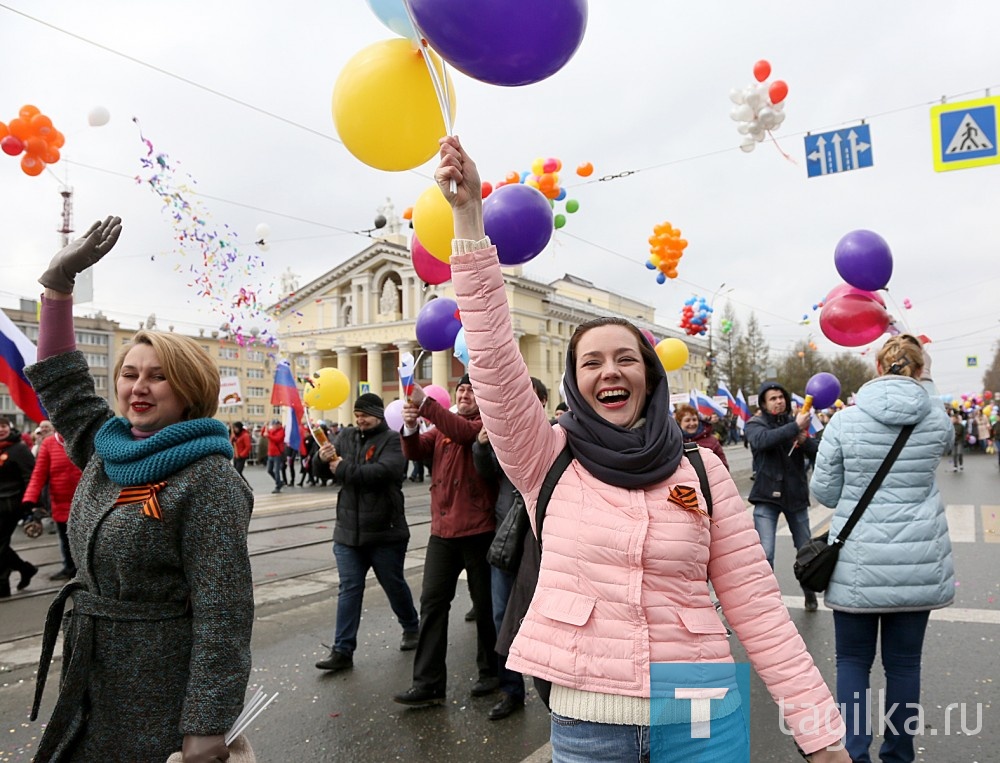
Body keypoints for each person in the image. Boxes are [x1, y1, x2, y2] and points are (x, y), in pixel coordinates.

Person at [433, 136, 848, 762]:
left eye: (626, 358)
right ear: (575, 382)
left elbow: (759, 611)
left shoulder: (703, 470)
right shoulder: (545, 457)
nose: (610, 371)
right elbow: (491, 352)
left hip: (703, 711)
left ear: (650, 377)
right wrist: (467, 220)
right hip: (590, 722)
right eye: (591, 361)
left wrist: (822, 736)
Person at [24, 216, 254, 763]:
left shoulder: (209, 478)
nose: (138, 387)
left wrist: (206, 723)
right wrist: (56, 289)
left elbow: (225, 611)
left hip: (161, 691)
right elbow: (65, 384)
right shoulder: (108, 448)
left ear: (190, 386)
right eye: (129, 373)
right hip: (92, 675)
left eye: (157, 375)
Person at [810, 334, 952, 763]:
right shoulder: (936, 419)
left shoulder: (844, 421)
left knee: (852, 662)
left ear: (877, 367)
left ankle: (854, 754)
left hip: (857, 560)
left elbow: (826, 493)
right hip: (919, 559)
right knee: (904, 666)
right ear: (920, 370)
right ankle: (899, 754)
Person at [393, 374, 500, 707]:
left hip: (479, 530)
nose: (465, 394)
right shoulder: (441, 430)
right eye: (461, 390)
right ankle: (427, 682)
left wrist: (425, 404)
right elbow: (414, 451)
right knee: (432, 605)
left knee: (485, 607)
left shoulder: (485, 426)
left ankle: (491, 672)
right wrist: (410, 427)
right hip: (442, 532)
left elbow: (465, 433)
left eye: (471, 390)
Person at [314, 393, 420, 672]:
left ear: (379, 414)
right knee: (350, 588)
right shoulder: (346, 436)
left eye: (365, 415)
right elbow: (326, 472)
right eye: (357, 414)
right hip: (348, 532)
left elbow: (386, 472)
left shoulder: (392, 439)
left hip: (385, 531)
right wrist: (320, 459)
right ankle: (342, 650)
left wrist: (343, 468)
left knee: (392, 583)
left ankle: (411, 626)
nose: (360, 419)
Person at [473, 376, 548, 721]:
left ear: (543, 403)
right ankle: (511, 690)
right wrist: (482, 446)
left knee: (549, 622)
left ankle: (554, 694)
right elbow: (487, 474)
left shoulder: (555, 438)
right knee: (503, 617)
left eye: (532, 397)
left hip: (544, 548)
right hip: (507, 541)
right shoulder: (504, 437)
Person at [745, 380, 820, 611]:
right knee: (765, 553)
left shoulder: (798, 420)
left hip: (795, 495)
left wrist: (804, 439)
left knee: (805, 550)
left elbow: (819, 451)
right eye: (773, 399)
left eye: (781, 397)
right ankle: (768, 601)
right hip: (767, 495)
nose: (778, 401)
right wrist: (794, 428)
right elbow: (761, 440)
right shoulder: (755, 424)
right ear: (764, 404)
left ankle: (809, 593)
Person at [22, 428, 82, 580]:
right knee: (65, 540)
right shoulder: (49, 444)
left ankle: (86, 573)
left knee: (84, 541)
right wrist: (30, 499)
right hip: (60, 503)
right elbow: (39, 474)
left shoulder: (85, 439)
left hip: (85, 504)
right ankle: (70, 569)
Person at [0, 415, 36, 598]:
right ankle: (25, 568)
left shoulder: (19, 448)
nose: (1, 429)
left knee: (0, 545)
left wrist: (29, 504)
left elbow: (31, 476)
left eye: (4, 426)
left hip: (12, 504)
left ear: (9, 427)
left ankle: (2, 586)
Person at [674, 403, 729, 470]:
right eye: (687, 420)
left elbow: (724, 467)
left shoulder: (712, 441)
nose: (692, 423)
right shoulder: (675, 443)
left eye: (694, 419)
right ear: (680, 422)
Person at [265, 419, 286, 493]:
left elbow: (277, 439)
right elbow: (264, 434)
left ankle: (278, 486)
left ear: (279, 425)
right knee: (269, 470)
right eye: (273, 424)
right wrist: (265, 426)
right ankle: (279, 482)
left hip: (277, 453)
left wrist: (269, 435)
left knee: (276, 471)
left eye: (276, 424)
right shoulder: (271, 431)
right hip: (270, 453)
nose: (274, 426)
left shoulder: (281, 431)